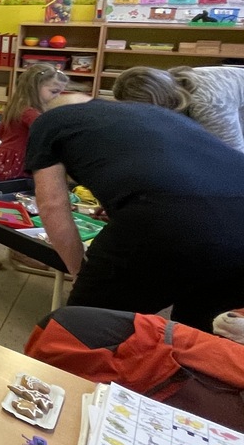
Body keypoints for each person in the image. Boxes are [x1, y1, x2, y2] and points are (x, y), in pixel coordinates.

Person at [25, 99, 244, 333]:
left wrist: (79, 270)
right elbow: (168, 167)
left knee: (83, 331)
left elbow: (52, 205)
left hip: (167, 218)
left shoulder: (48, 122)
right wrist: (122, 202)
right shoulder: (152, 113)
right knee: (197, 337)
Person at [0, 63, 69, 269]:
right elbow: (48, 132)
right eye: (53, 92)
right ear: (35, 87)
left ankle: (16, 249)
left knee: (11, 205)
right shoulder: (30, 112)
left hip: (4, 160)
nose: (57, 97)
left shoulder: (17, 107)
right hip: (14, 165)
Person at [114, 65, 244, 153]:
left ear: (159, 102)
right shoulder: (168, 83)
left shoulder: (207, 105)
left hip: (222, 100)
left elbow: (234, 157)